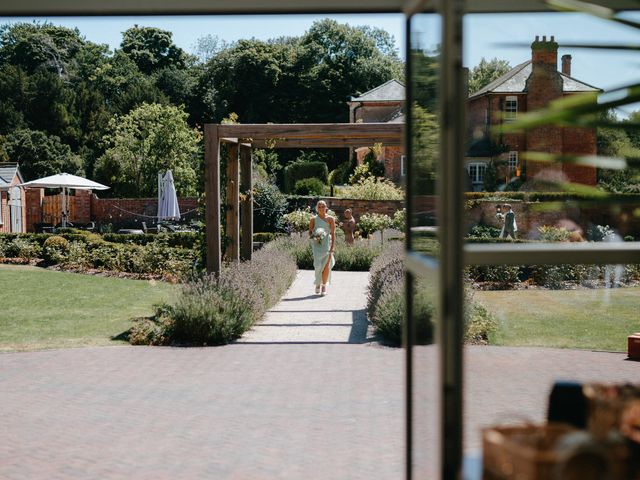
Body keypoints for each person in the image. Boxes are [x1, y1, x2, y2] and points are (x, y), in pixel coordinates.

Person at [309, 200, 336, 295]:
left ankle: (323, 285)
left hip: (327, 246)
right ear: (317, 208)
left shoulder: (331, 219)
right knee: (318, 266)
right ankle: (317, 283)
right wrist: (315, 237)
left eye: (323, 206)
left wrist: (332, 247)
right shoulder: (313, 219)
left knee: (326, 266)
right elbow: (310, 232)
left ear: (326, 208)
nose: (321, 208)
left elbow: (333, 234)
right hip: (317, 246)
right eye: (319, 206)